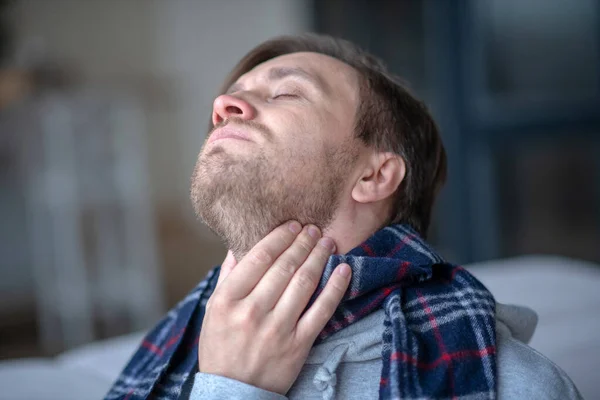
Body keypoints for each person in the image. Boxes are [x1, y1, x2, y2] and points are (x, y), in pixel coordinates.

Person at [105, 34, 582, 400]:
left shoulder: (514, 383)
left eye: (287, 93)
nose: (223, 107)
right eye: (231, 99)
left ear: (374, 175)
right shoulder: (175, 343)